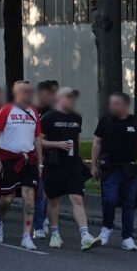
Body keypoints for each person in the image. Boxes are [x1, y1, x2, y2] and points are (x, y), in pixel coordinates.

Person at [91, 92, 137, 251]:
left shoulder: (134, 122)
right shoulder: (105, 121)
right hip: (110, 168)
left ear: (125, 105)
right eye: (111, 103)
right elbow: (97, 142)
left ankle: (127, 237)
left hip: (129, 169)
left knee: (129, 203)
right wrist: (94, 165)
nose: (112, 107)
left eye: (116, 104)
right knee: (109, 199)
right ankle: (107, 228)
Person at [39, 87, 96, 250]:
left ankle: (85, 236)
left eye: (74, 98)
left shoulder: (77, 118)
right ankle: (55, 234)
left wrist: (78, 157)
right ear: (59, 99)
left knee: (77, 198)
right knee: (54, 200)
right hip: (54, 165)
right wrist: (57, 144)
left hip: (73, 165)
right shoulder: (48, 118)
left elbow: (76, 140)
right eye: (69, 97)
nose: (72, 101)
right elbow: (38, 141)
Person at [0, 80, 40, 249]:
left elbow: (37, 139)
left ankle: (26, 235)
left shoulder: (33, 112)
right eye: (24, 91)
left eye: (29, 90)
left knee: (29, 196)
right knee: (7, 198)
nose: (28, 93)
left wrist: (40, 163)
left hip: (28, 160)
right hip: (9, 159)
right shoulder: (6, 110)